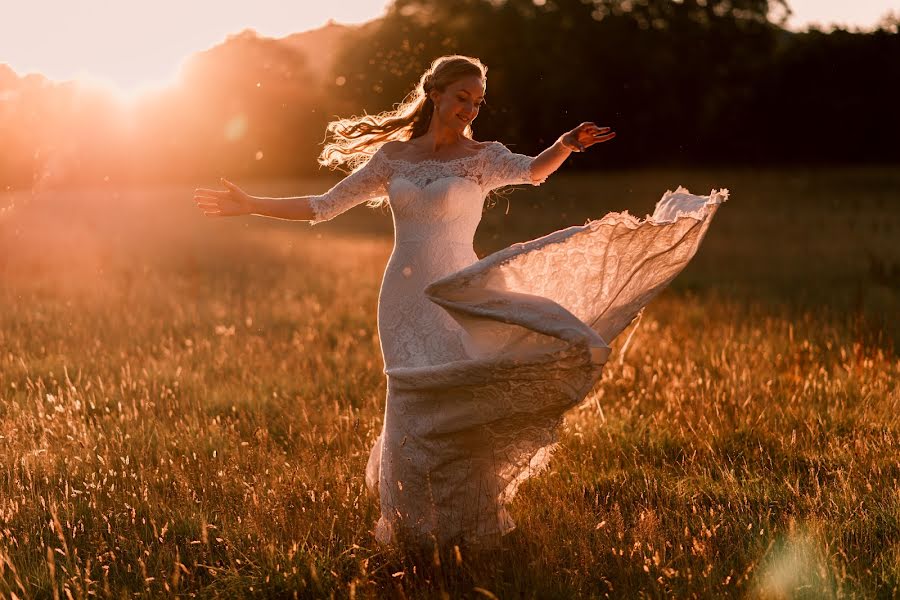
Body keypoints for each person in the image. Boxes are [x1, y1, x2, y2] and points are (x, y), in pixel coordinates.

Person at [193, 55, 725, 549]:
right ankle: (408, 526)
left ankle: (467, 519)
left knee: (459, 389)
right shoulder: (393, 158)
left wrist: (566, 144)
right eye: (462, 97)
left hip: (457, 289)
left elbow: (532, 171)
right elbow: (323, 205)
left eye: (478, 101)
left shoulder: (482, 158)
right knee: (409, 395)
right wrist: (250, 204)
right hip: (402, 295)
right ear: (435, 93)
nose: (470, 108)